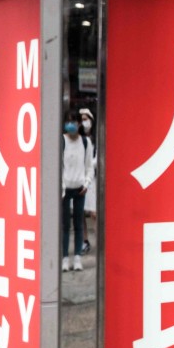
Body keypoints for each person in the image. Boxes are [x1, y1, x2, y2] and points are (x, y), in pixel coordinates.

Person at [61, 110, 93, 271]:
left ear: (79, 124)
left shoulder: (85, 142)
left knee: (79, 224)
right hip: (65, 190)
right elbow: (58, 165)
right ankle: (65, 258)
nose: (71, 125)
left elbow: (89, 166)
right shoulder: (62, 141)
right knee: (65, 225)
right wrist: (61, 187)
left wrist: (86, 184)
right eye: (68, 121)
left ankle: (78, 257)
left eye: (74, 121)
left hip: (80, 188)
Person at [78, 107, 97, 253]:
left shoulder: (97, 138)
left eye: (86, 119)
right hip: (79, 179)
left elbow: (98, 159)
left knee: (94, 213)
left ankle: (100, 239)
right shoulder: (77, 139)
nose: (84, 123)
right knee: (80, 213)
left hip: (93, 179)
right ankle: (84, 241)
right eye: (82, 120)